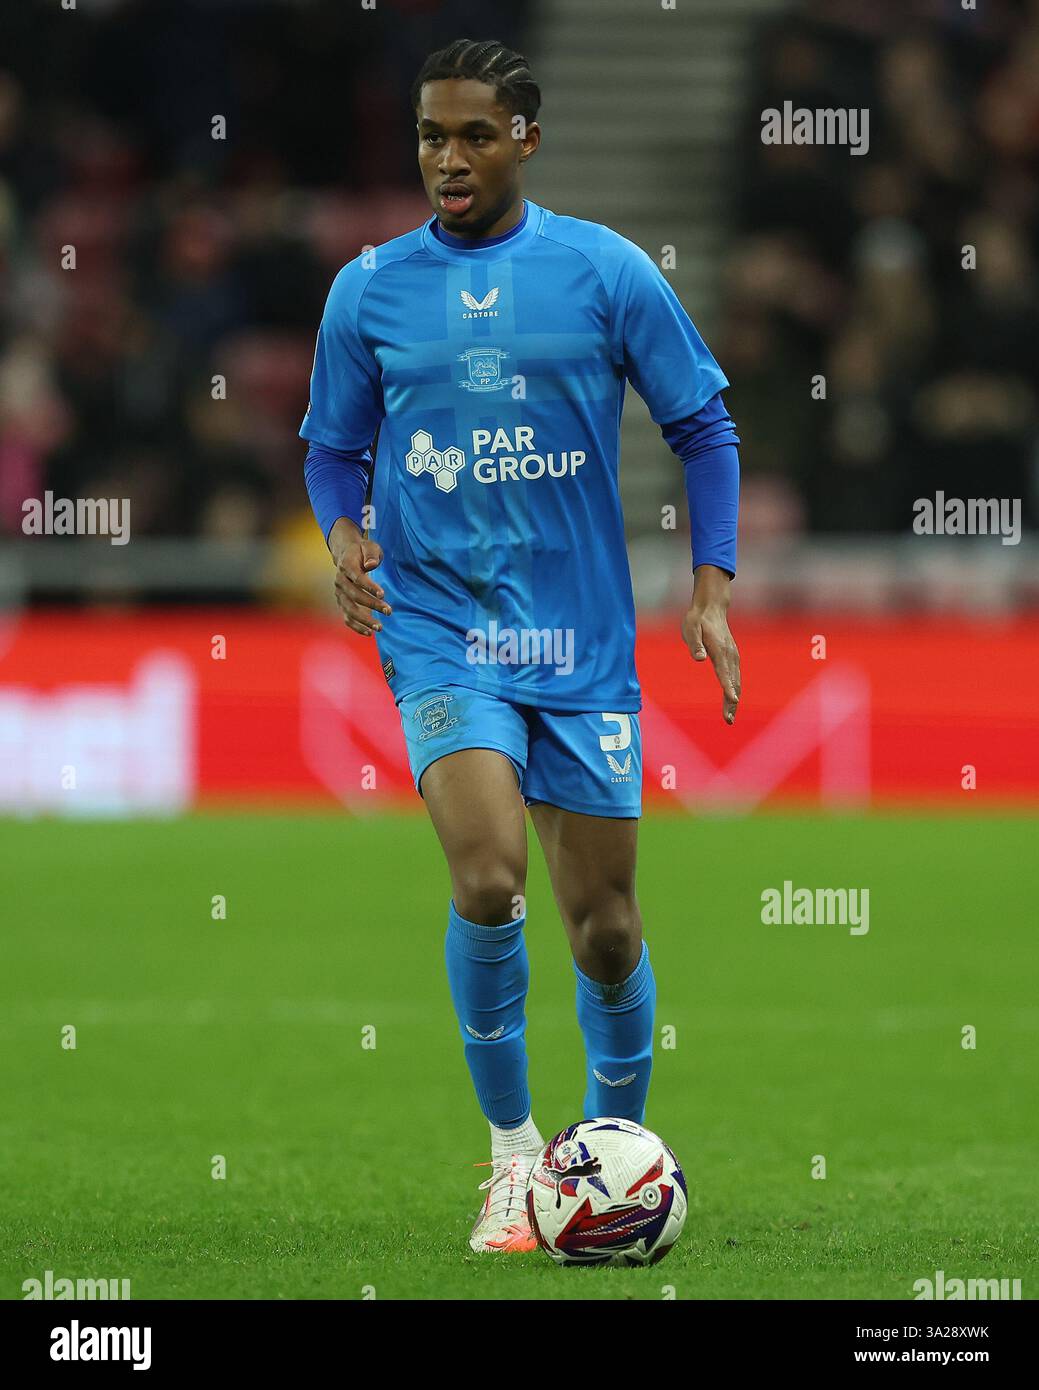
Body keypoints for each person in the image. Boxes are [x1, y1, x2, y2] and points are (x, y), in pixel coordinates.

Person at [302, 37, 741, 1253]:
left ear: (527, 141)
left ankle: (605, 1166)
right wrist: (346, 538)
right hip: (440, 627)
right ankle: (509, 1161)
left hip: (582, 636)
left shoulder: (604, 272)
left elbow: (703, 423)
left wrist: (710, 586)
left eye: (474, 136)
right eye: (433, 136)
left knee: (603, 923)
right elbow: (329, 449)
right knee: (488, 875)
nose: (448, 157)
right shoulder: (368, 290)